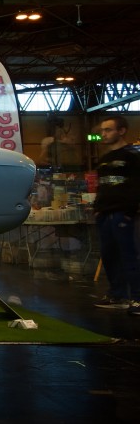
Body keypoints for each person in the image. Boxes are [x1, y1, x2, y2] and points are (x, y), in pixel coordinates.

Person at [93, 115, 140, 315]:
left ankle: (137, 298)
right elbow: (102, 186)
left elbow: (137, 185)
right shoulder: (104, 159)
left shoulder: (132, 156)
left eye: (108, 130)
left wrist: (130, 211)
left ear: (121, 131)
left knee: (129, 256)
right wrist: (97, 209)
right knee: (109, 256)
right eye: (102, 130)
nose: (103, 134)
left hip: (123, 213)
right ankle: (117, 295)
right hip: (104, 214)